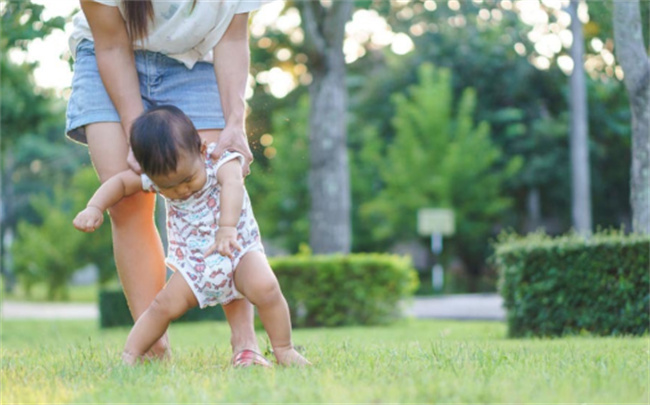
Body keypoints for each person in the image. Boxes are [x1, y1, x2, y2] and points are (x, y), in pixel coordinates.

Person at [66, 0, 264, 366]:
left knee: (217, 191)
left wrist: (236, 124)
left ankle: (246, 346)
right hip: (108, 54)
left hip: (194, 60)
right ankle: (153, 348)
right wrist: (135, 131)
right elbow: (110, 43)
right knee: (126, 202)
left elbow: (233, 39)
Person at [73, 106, 310, 367]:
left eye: (188, 179)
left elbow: (233, 185)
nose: (181, 190)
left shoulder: (219, 161)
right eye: (168, 187)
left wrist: (227, 228)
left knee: (267, 288)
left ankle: (284, 349)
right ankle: (129, 356)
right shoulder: (160, 176)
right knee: (161, 306)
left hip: (237, 251)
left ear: (201, 149)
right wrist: (94, 207)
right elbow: (119, 183)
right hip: (193, 265)